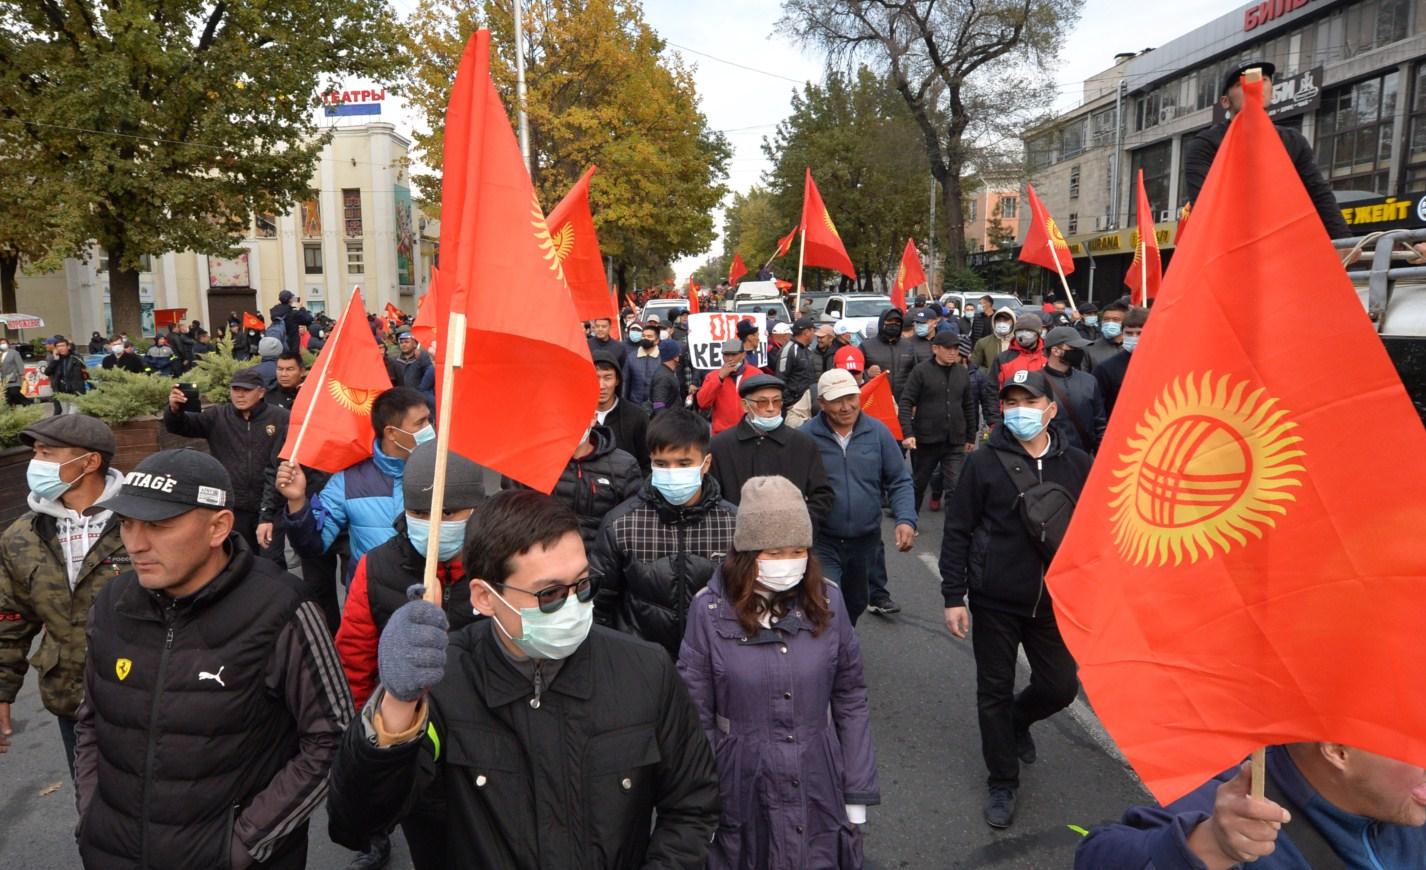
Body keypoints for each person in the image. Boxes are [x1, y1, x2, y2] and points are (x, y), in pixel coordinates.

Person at [326, 489, 720, 868]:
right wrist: (396, 707)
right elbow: (357, 824)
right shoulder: (442, 686)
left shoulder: (646, 671)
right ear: (484, 597)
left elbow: (692, 806)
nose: (572, 606)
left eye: (583, 586)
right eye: (548, 595)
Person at [73, 449, 353, 869]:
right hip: (112, 852)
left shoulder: (281, 609)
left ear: (218, 527)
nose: (136, 543)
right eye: (127, 523)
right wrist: (91, 814)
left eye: (158, 525)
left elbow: (332, 737)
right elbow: (92, 720)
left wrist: (244, 844)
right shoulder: (112, 602)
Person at [677, 475, 879, 868]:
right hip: (739, 781)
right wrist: (700, 802)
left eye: (797, 551)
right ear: (747, 555)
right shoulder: (709, 611)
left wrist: (856, 792)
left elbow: (851, 697)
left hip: (817, 775)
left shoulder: (829, 602)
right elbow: (694, 714)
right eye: (773, 553)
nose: (788, 563)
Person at [939, 369, 1092, 829]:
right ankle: (1002, 780)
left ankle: (1017, 721)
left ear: (1050, 408)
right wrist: (953, 595)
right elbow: (958, 529)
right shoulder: (984, 462)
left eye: (1029, 400)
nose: (1019, 410)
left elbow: (1094, 534)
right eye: (1011, 402)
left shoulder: (1079, 464)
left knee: (1060, 687)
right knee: (993, 690)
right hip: (995, 599)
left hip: (1054, 603)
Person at [332, 443, 484, 870]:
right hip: (417, 754)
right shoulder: (377, 567)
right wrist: (371, 741)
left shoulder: (497, 565)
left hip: (489, 750)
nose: (435, 525)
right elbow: (356, 658)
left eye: (450, 513)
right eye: (421, 513)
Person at [0, 415, 125, 776]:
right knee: (91, 807)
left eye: (47, 453)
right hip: (70, 700)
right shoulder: (22, 535)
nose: (35, 463)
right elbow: (10, 617)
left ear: (89, 462)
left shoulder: (143, 518)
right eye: (35, 452)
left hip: (145, 699)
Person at [1077, 743, 1426, 869]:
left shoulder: (1404, 806)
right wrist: (1207, 845)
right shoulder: (1233, 813)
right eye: (1418, 739)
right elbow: (1097, 855)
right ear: (1337, 751)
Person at [591, 409, 737, 658]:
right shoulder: (622, 523)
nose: (672, 472)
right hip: (640, 661)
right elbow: (599, 603)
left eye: (683, 463)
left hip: (716, 661)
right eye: (661, 463)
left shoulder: (734, 524)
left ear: (706, 463)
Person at [1184, 61, 1350, 239]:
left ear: (1272, 92)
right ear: (1225, 101)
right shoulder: (1205, 145)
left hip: (1284, 241)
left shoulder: (1293, 141)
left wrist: (1344, 240)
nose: (1254, 87)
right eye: (1241, 84)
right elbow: (1206, 207)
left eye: (1263, 80)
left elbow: (1318, 193)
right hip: (1230, 246)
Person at [277, 387, 429, 581]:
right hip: (371, 599)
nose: (430, 429)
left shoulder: (445, 472)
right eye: (420, 423)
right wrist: (297, 502)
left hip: (433, 594)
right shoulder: (347, 482)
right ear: (392, 433)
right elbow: (311, 546)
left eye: (428, 420)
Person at [803, 370, 916, 623]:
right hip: (823, 540)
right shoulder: (806, 437)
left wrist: (906, 519)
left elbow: (899, 480)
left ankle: (843, 642)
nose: (845, 407)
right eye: (836, 400)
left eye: (850, 397)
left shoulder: (878, 432)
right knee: (827, 605)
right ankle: (831, 656)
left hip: (866, 542)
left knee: (855, 603)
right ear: (821, 403)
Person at [165, 367, 289, 557]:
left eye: (246, 390)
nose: (240, 395)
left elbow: (280, 464)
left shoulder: (280, 418)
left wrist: (269, 512)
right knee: (238, 560)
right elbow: (182, 426)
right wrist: (174, 411)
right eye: (235, 389)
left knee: (271, 562)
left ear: (261, 392)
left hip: (271, 507)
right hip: (233, 508)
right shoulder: (218, 416)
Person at [709, 373, 834, 528]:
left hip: (791, 539)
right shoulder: (720, 446)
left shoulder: (803, 444)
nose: (770, 408)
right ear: (745, 405)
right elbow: (712, 496)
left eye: (776, 402)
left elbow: (821, 494)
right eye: (762, 402)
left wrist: (799, 523)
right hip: (737, 538)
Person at [899, 330, 978, 514]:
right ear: (936, 349)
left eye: (956, 348)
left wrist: (971, 436)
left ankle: (954, 528)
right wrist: (908, 433)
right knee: (919, 484)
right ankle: (910, 519)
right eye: (948, 348)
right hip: (926, 440)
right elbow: (906, 402)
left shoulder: (962, 372)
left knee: (955, 486)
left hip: (954, 440)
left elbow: (968, 405)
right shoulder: (921, 371)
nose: (953, 352)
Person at [1041, 326, 1106, 454]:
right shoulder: (1036, 382)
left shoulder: (1089, 380)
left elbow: (1100, 423)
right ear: (1055, 351)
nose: (1079, 352)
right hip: (1051, 458)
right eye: (1073, 349)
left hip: (1085, 456)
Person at [592, 350, 650, 475]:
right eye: (595, 378)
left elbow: (647, 464)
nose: (601, 385)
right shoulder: (576, 417)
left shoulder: (637, 417)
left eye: (607, 377)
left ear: (617, 380)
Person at [696, 338, 761, 435]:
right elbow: (702, 402)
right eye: (726, 355)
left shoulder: (756, 374)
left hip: (751, 432)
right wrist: (720, 378)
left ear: (743, 355)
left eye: (734, 354)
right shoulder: (713, 376)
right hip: (722, 434)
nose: (730, 358)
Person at [1094, 305, 1148, 419]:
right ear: (1122, 333)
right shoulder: (1106, 368)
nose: (1134, 338)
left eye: (1139, 333)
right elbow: (1098, 408)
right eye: (1129, 333)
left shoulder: (1165, 365)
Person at [860, 308, 917, 397]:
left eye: (897, 322)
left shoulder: (909, 346)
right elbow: (855, 374)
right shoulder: (866, 346)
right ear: (882, 323)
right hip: (876, 400)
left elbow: (915, 372)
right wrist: (867, 373)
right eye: (890, 321)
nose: (894, 324)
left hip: (903, 400)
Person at [775, 317, 818, 410]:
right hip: (793, 405)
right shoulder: (788, 350)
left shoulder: (808, 349)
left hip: (809, 402)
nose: (814, 335)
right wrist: (789, 403)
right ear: (806, 332)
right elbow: (780, 379)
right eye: (813, 331)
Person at [1083, 299, 1127, 370]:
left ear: (1125, 322)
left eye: (1116, 319)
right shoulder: (1089, 349)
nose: (1110, 323)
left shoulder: (1134, 348)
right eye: (1106, 319)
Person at [44, 337, 87, 411]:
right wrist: (55, 360)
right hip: (62, 392)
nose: (61, 348)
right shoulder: (56, 359)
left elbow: (84, 373)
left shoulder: (76, 358)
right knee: (65, 414)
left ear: (68, 347)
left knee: (73, 414)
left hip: (75, 392)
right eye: (58, 346)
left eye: (62, 346)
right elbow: (47, 372)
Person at [971, 307, 1017, 372]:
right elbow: (974, 367)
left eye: (1005, 320)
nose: (1001, 323)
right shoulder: (983, 342)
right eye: (999, 320)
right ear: (994, 322)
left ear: (1013, 322)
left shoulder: (1020, 343)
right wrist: (989, 373)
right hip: (990, 381)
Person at [390, 328, 433, 397]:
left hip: (419, 397)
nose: (403, 344)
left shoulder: (422, 357)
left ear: (414, 344)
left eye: (407, 342)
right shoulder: (395, 361)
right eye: (401, 342)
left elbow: (429, 377)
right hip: (401, 398)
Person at [270, 288, 315, 354]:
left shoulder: (274, 312)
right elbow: (309, 319)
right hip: (291, 347)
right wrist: (301, 308)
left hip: (278, 346)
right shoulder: (293, 313)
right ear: (290, 300)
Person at [650, 339, 684, 414]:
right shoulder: (663, 377)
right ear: (675, 357)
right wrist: (666, 423)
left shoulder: (668, 372)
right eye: (679, 353)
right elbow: (658, 405)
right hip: (668, 422)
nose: (680, 355)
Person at [1, 336, 26, 406]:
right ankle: (12, 412)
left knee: (14, 392)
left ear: (8, 344)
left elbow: (20, 364)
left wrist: (22, 374)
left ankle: (27, 403)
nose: (2, 345)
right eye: (1, 344)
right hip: (4, 380)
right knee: (8, 398)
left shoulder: (14, 353)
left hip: (14, 378)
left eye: (4, 343)